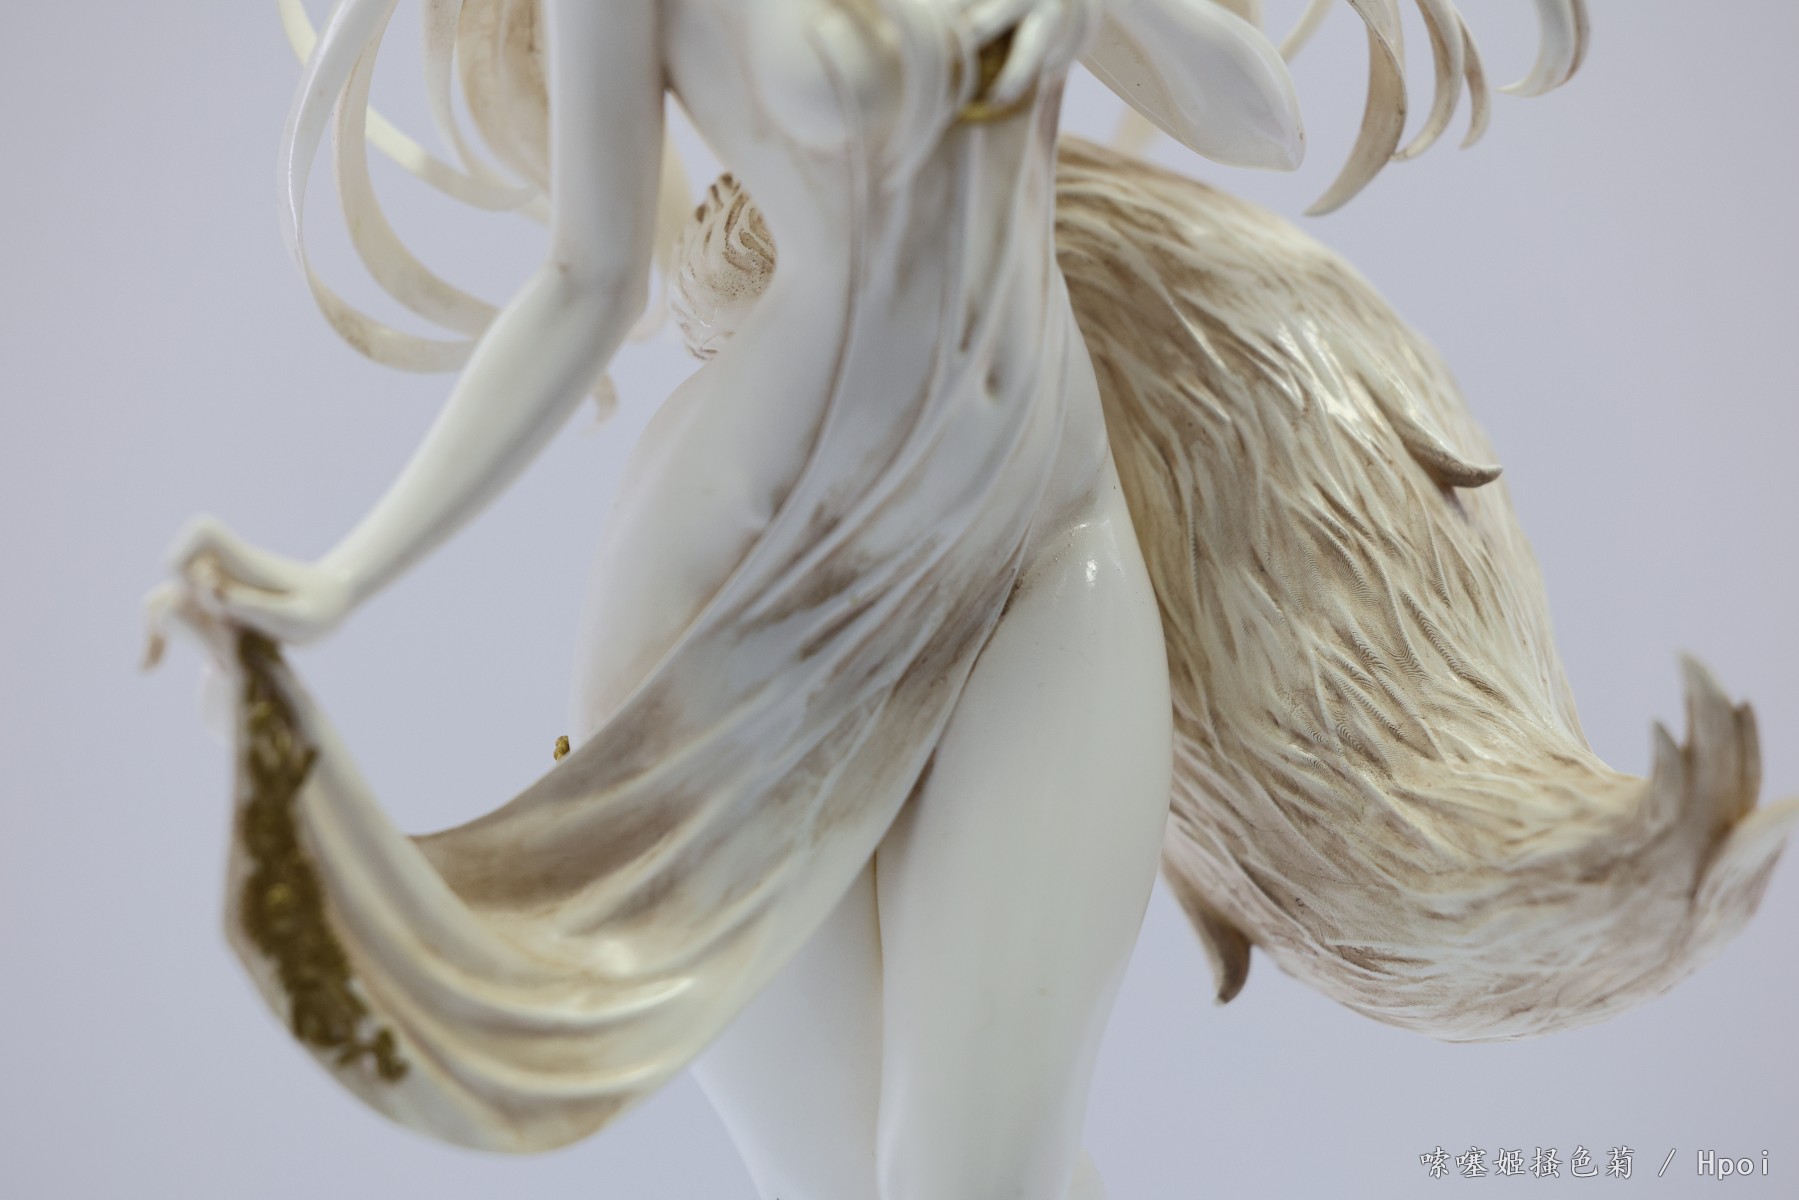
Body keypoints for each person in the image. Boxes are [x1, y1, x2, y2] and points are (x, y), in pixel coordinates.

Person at [149, 2, 1794, 1197]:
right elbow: (582, 287)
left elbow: (1262, 123)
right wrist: (346, 571)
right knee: (836, 1183)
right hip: (732, 603)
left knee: (974, 1175)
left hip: (1039, 546)